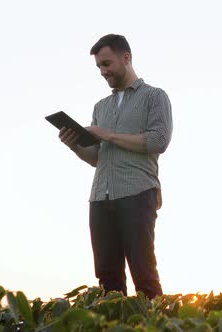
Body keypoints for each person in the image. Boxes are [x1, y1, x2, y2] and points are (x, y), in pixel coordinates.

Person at [58, 34, 173, 299]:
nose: (103, 71)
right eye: (99, 66)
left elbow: (158, 141)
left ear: (126, 57)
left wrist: (106, 135)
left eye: (107, 64)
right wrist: (74, 145)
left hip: (137, 193)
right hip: (100, 198)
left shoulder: (154, 97)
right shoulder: (101, 106)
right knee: (107, 280)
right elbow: (99, 158)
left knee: (144, 275)